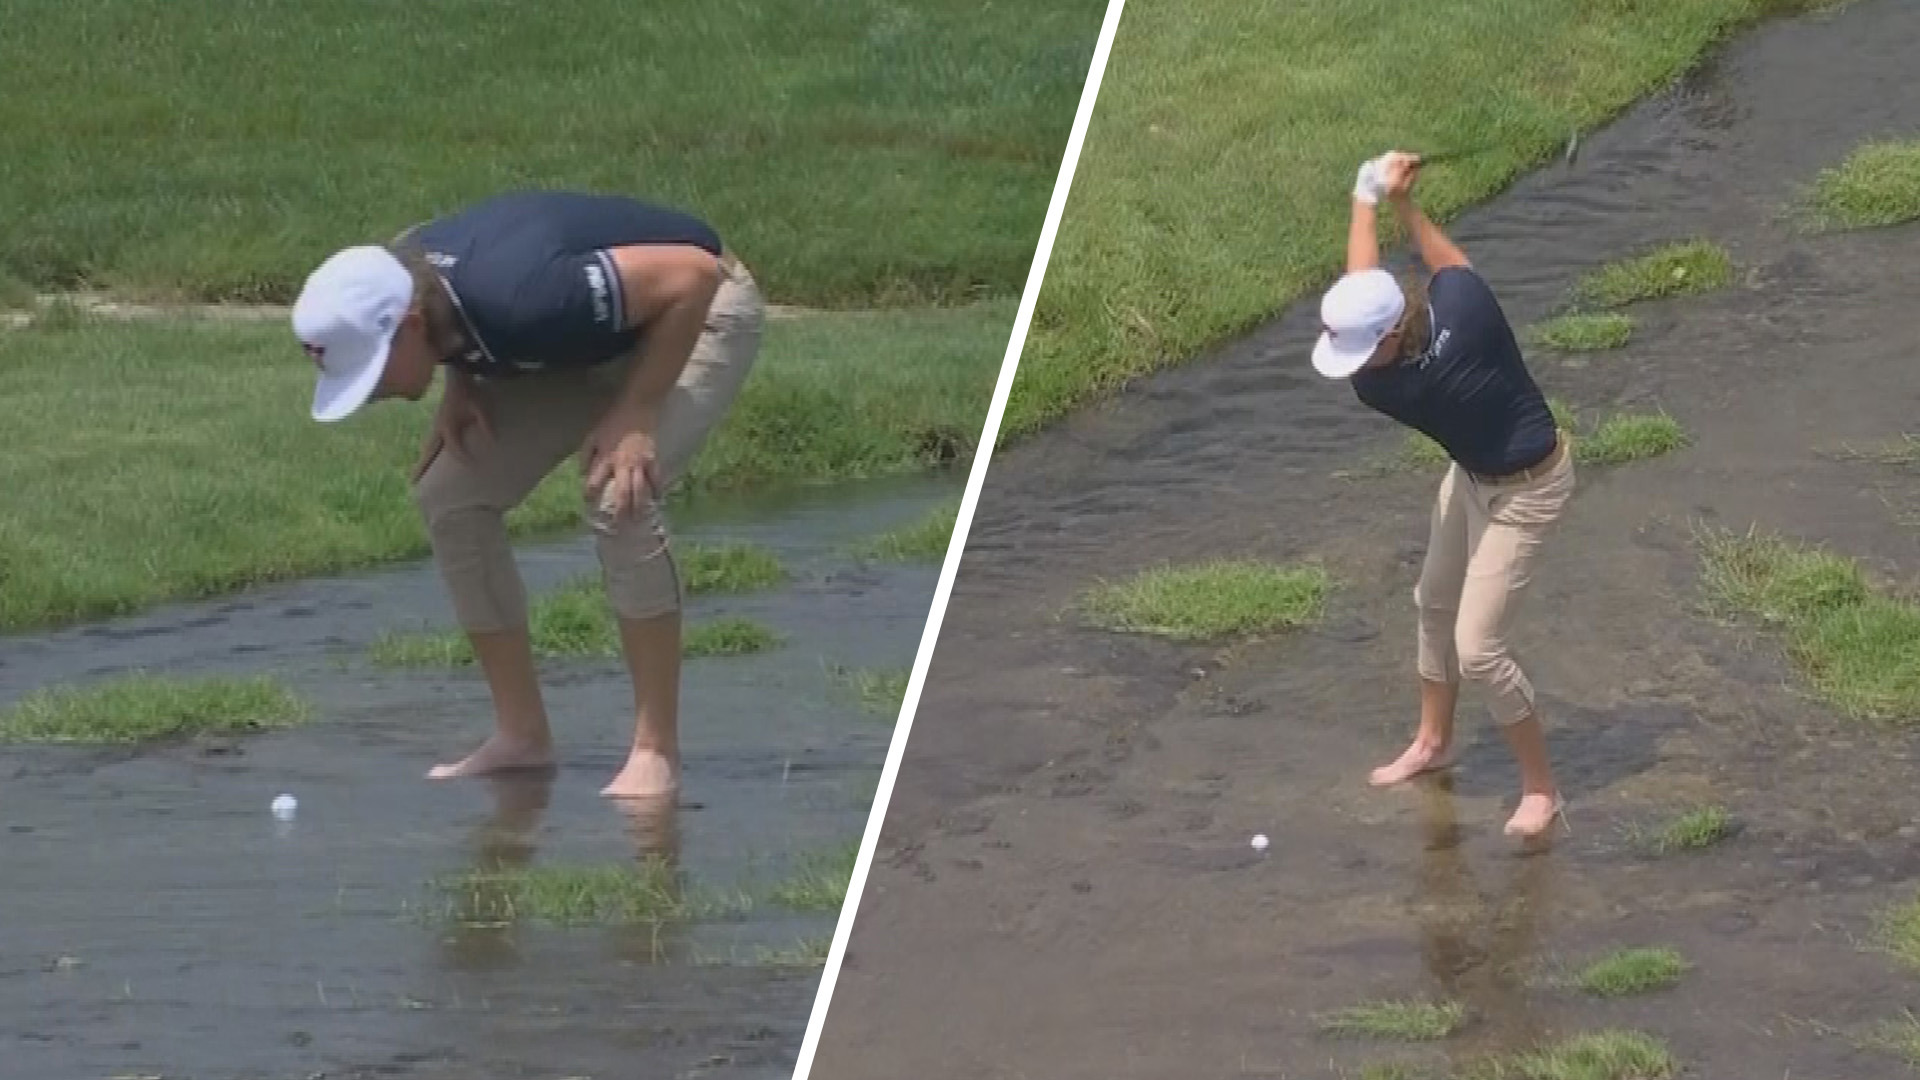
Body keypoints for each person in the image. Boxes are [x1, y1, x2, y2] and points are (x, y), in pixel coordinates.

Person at [289, 190, 765, 800]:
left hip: (698, 309)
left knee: (619, 496)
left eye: (372, 373)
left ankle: (655, 754)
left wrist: (638, 411)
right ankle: (522, 737)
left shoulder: (521, 297)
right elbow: (446, 305)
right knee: (450, 495)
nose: (372, 394)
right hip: (597, 330)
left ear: (409, 328)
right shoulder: (413, 277)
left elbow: (689, 275)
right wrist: (463, 381)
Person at [1309, 152, 1574, 840]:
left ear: (1393, 336)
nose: (1350, 365)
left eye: (1358, 348)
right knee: (1433, 603)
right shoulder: (1463, 304)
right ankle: (1433, 742)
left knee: (1479, 648)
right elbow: (1432, 266)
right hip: (1472, 474)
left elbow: (1367, 284)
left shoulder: (1388, 385)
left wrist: (1373, 193)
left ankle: (1542, 791)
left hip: (1531, 489)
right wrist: (1386, 198)